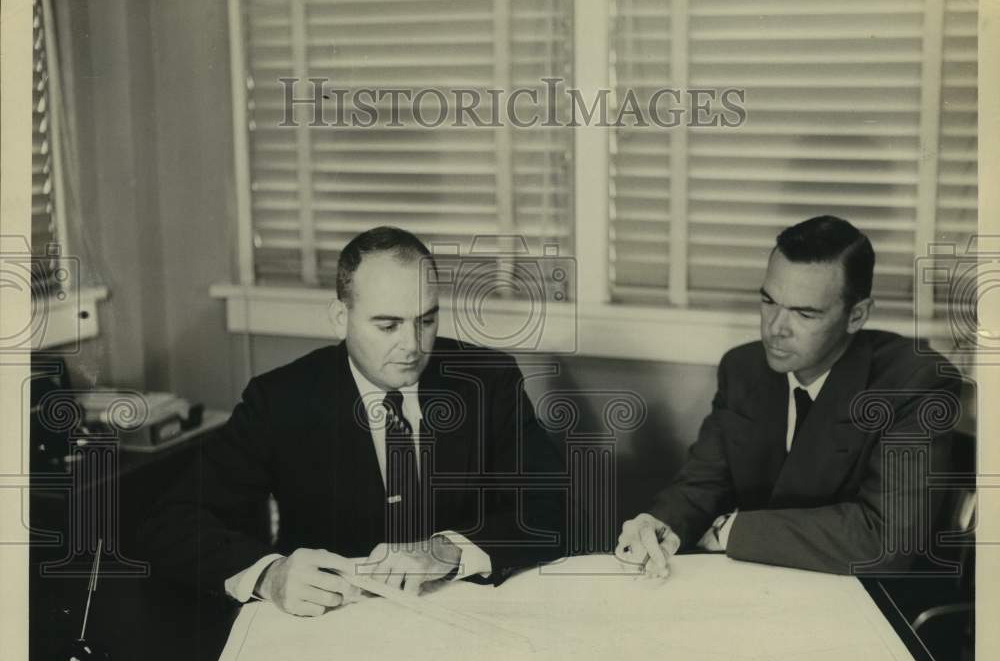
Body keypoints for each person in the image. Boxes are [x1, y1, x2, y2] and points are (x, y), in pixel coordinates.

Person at [140, 227, 565, 616]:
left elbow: (558, 505)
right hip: (330, 626)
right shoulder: (282, 399)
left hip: (464, 621)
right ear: (340, 318)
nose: (412, 346)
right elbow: (172, 521)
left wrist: (449, 550)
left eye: (427, 320)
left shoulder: (487, 381)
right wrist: (270, 576)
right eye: (387, 325)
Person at [616, 215, 960, 577]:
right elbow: (702, 484)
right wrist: (661, 524)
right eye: (769, 301)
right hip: (762, 589)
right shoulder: (743, 368)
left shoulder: (914, 382)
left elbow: (887, 540)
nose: (775, 328)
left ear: (856, 316)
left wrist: (731, 531)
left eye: (804, 313)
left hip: (865, 603)